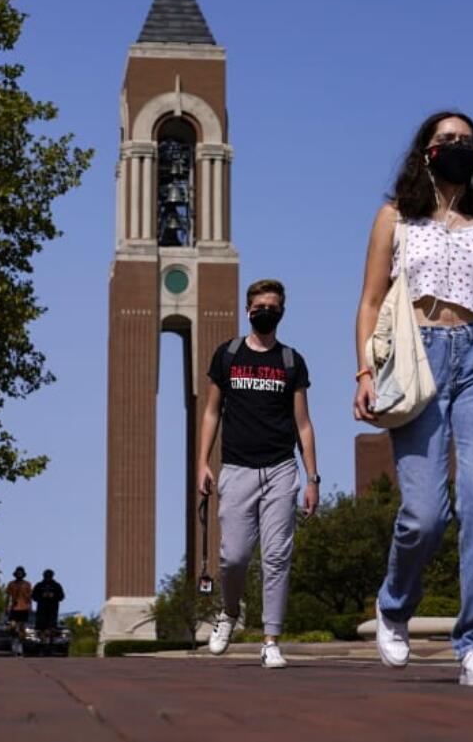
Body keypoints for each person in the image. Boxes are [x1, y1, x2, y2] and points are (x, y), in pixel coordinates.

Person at [353, 111, 473, 687]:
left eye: (466, 140)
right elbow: (369, 302)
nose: (457, 146)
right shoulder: (395, 218)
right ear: (425, 151)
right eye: (446, 139)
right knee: (425, 515)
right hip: (415, 362)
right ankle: (394, 605)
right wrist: (363, 371)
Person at [197, 278, 320, 669]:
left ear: (282, 312)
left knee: (277, 557)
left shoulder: (290, 361)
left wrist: (312, 478)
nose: (267, 311)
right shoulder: (228, 355)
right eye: (261, 306)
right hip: (236, 469)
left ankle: (271, 640)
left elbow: (303, 424)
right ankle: (229, 612)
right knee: (233, 558)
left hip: (281, 470)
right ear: (248, 310)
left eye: (274, 306)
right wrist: (202, 463)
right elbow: (212, 411)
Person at [4, 566, 32, 656]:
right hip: (14, 608)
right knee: (12, 626)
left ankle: (19, 646)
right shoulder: (11, 584)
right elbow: (8, 596)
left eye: (21, 573)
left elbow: (29, 597)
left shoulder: (27, 584)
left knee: (22, 628)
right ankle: (14, 642)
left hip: (23, 608)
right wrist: (6, 607)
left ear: (23, 575)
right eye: (18, 573)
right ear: (15, 574)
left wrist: (30, 606)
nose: (19, 575)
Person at [32, 569, 65, 644]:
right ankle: (42, 645)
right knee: (41, 630)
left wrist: (53, 596)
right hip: (41, 611)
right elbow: (34, 596)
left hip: (52, 611)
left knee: (52, 629)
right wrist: (41, 596)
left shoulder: (56, 586)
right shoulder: (39, 585)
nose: (48, 578)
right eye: (46, 576)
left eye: (49, 576)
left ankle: (51, 645)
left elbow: (62, 596)